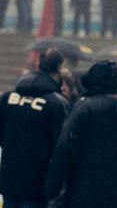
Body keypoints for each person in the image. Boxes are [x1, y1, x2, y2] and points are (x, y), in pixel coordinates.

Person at [45, 61, 117, 208]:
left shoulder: (82, 109)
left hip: (81, 190)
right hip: (114, 191)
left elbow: (64, 149)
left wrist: (52, 188)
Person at [0, 49, 69, 208]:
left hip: (9, 175)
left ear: (38, 64)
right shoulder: (57, 103)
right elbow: (60, 146)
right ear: (59, 68)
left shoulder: (8, 96)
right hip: (37, 181)